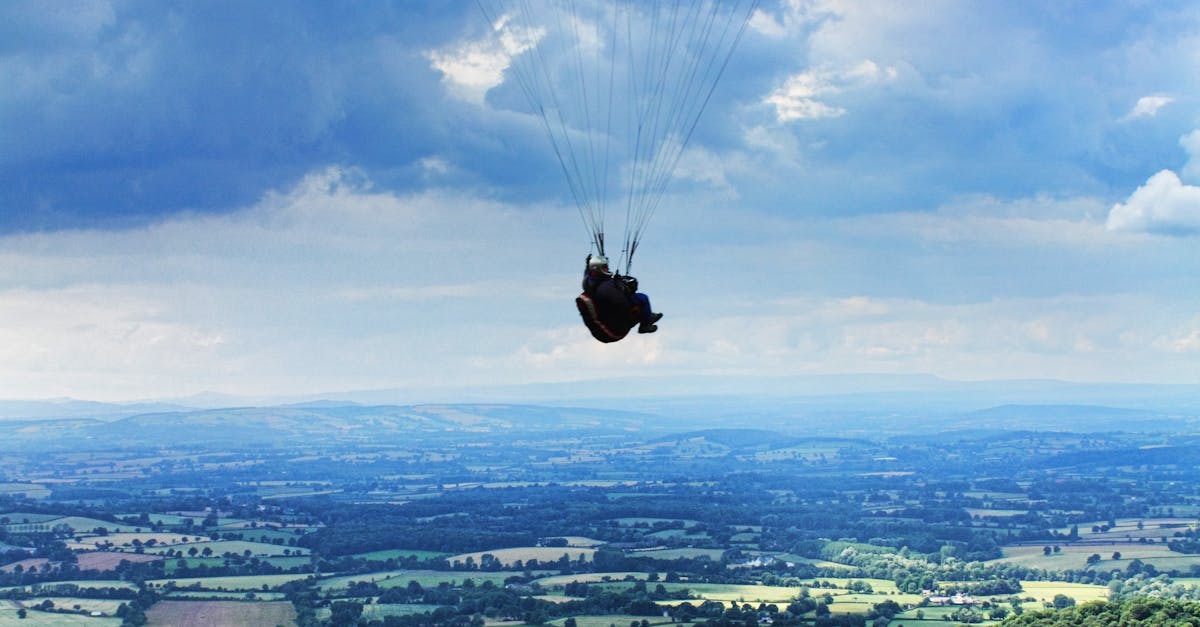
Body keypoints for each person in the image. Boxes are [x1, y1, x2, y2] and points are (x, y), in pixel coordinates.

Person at [576, 255, 663, 342]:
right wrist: (628, 290)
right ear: (599, 269)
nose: (608, 268)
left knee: (638, 303)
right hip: (615, 331)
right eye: (605, 267)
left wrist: (588, 265)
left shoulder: (589, 281)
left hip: (604, 325)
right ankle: (645, 325)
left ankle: (646, 316)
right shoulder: (606, 288)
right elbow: (624, 305)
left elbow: (588, 272)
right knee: (643, 298)